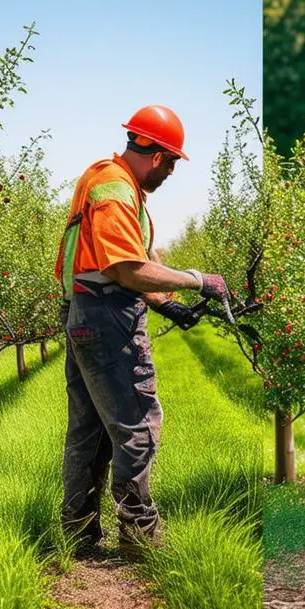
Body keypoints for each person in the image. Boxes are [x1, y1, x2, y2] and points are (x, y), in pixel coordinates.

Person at [54, 104, 232, 555]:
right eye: (172, 162)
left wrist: (168, 305)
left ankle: (79, 534)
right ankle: (139, 540)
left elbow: (113, 266)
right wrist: (197, 280)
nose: (172, 171)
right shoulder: (116, 191)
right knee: (137, 425)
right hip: (107, 319)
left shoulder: (105, 179)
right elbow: (127, 269)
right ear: (156, 156)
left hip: (83, 312)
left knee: (88, 431)